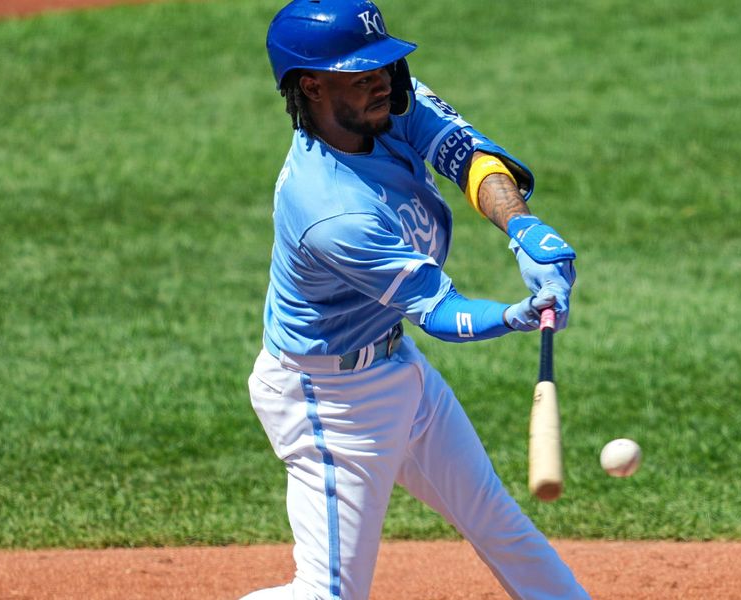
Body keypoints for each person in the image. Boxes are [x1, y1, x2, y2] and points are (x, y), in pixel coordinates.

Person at [241, 1, 588, 598]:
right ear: (311, 87)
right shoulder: (331, 211)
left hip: (398, 369)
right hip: (330, 402)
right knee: (327, 594)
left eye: (383, 65)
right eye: (360, 72)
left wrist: (525, 232)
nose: (381, 80)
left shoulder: (387, 108)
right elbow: (440, 311)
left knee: (498, 522)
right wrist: (515, 315)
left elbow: (470, 158)